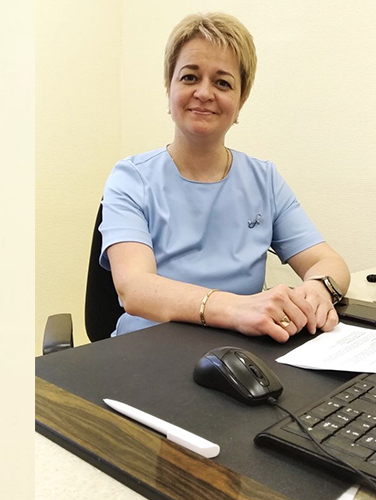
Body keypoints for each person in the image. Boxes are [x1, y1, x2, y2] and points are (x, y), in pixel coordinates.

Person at [99, 12, 350, 343]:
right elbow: (135, 289)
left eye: (222, 83)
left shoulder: (264, 180)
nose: (204, 93)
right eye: (190, 77)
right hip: (146, 351)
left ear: (241, 100)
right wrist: (237, 309)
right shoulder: (130, 178)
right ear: (169, 87)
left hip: (240, 354)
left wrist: (317, 289)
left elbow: (328, 261)